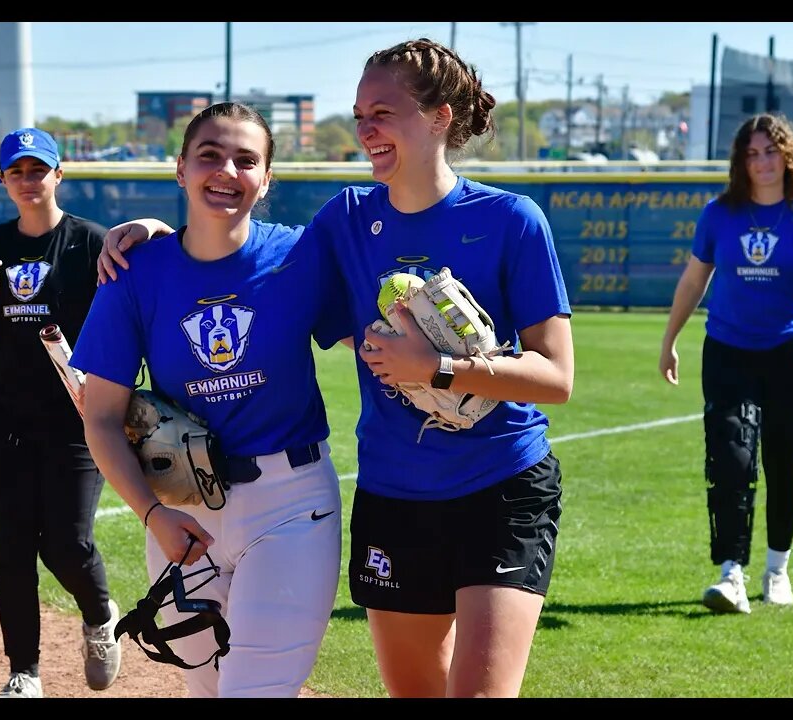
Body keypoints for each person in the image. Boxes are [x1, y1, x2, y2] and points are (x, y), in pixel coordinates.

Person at [99, 38, 575, 698]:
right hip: (395, 492)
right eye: (359, 115)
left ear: (439, 116)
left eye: (383, 112)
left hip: (501, 483)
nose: (366, 130)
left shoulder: (509, 220)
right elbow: (240, 252)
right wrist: (158, 231)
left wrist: (435, 367)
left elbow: (557, 377)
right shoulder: (347, 220)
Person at [68, 102, 350, 698]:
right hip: (180, 511)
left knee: (254, 690)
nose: (227, 170)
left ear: (267, 179)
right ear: (180, 169)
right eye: (210, 156)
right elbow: (99, 417)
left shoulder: (299, 257)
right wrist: (151, 514)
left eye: (247, 160)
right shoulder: (135, 271)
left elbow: (372, 341)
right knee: (206, 690)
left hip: (291, 504)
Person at [0, 127, 123, 698]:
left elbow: (129, 319)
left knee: (67, 542)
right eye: (16, 171)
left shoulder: (91, 243)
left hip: (77, 419)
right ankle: (24, 672)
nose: (27, 180)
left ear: (58, 175)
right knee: (12, 548)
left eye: (37, 169)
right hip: (4, 421)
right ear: (3, 181)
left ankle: (99, 615)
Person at [658, 113, 793, 615]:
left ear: (788, 156)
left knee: (783, 464)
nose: (762, 162)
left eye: (771, 151)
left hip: (790, 354)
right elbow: (694, 281)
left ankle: (777, 568)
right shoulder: (720, 213)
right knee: (731, 459)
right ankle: (731, 574)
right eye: (752, 153)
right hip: (727, 351)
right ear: (741, 161)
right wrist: (670, 338)